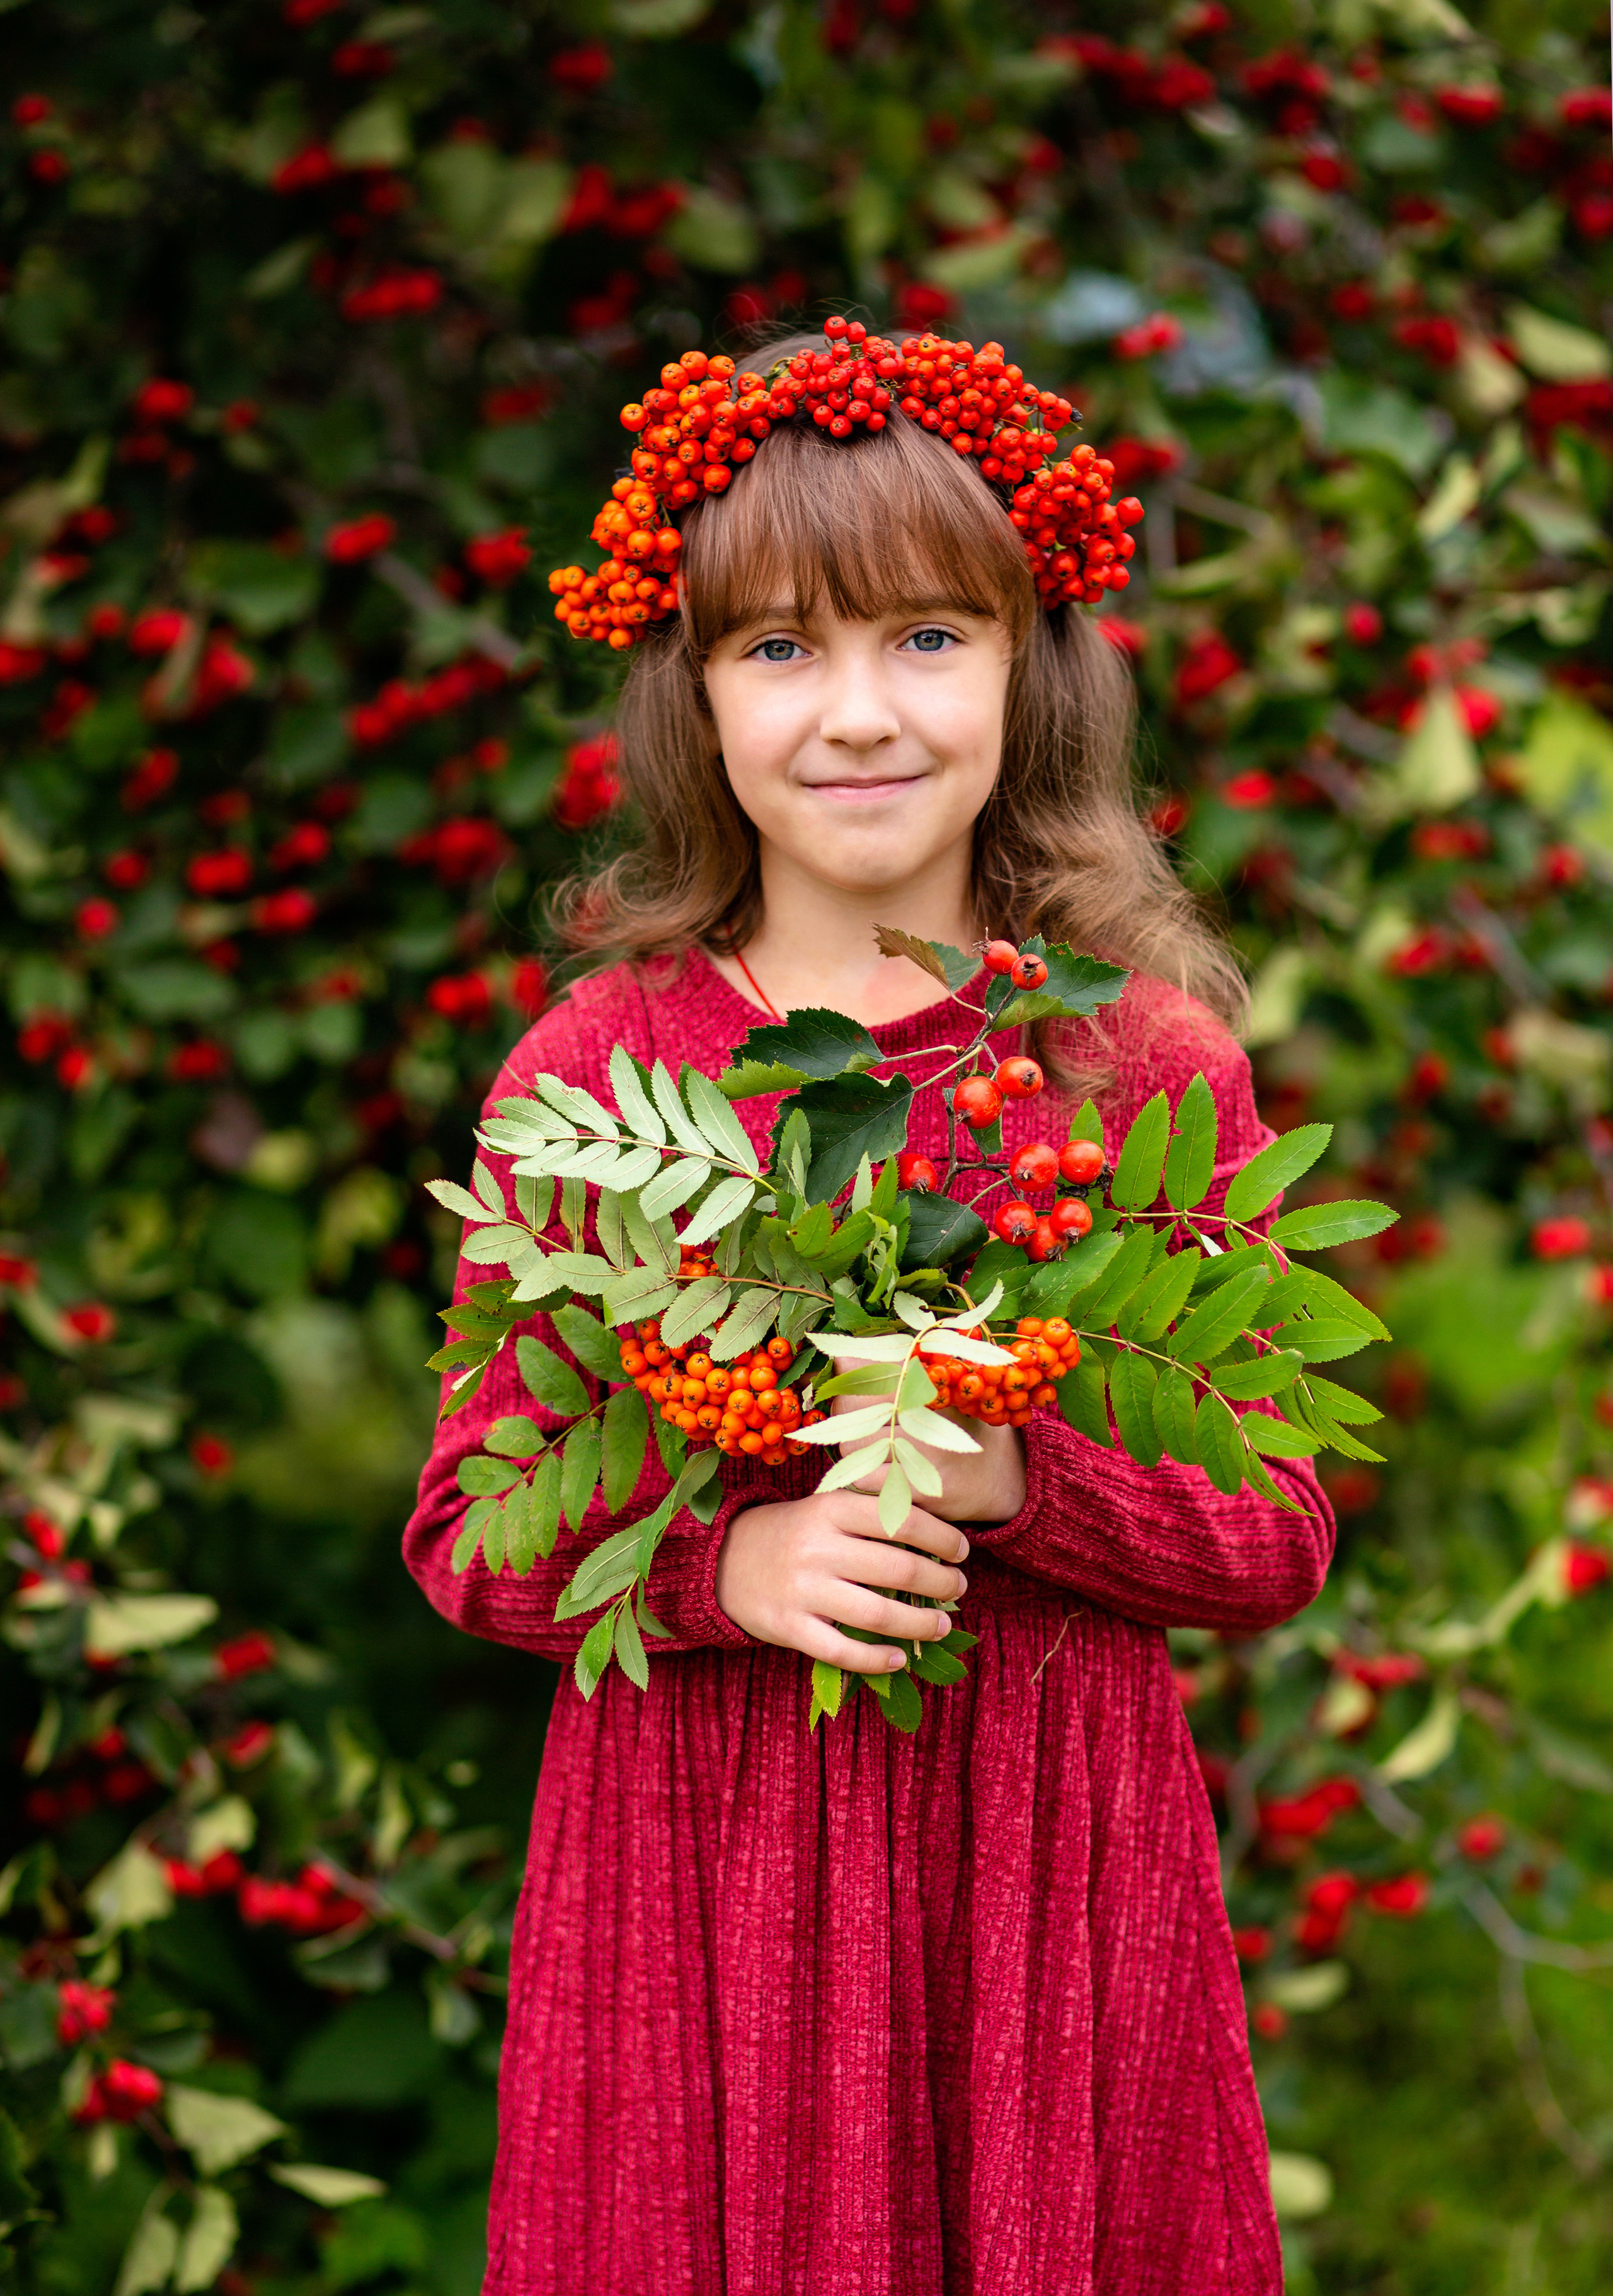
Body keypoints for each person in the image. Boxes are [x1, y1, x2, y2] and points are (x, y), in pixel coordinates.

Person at [404, 320, 1334, 2296]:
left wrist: (1018, 1476)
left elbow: (1270, 1534)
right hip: (704, 1880)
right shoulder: (601, 1068)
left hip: (1042, 1879)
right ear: (693, 697)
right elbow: (469, 1526)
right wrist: (721, 1574)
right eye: (780, 649)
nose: (857, 713)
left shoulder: (1132, 1068)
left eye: (928, 637)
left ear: (1029, 670)